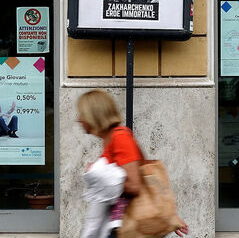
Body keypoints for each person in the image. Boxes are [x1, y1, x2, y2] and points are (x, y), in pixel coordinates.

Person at [77, 89, 188, 237]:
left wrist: (100, 175)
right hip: (118, 224)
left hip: (128, 224)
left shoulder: (120, 137)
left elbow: (135, 185)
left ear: (93, 115)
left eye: (82, 114)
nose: (79, 119)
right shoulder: (109, 139)